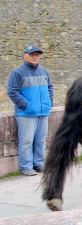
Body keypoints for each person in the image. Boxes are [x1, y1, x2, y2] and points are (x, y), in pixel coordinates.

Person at [7, 46, 54, 176]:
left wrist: (48, 102)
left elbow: (50, 87)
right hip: (26, 113)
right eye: (32, 54)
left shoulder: (43, 71)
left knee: (41, 139)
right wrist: (25, 106)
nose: (35, 57)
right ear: (25, 55)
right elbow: (12, 91)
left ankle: (38, 163)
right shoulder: (17, 72)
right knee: (26, 140)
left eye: (37, 55)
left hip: (43, 111)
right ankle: (26, 166)